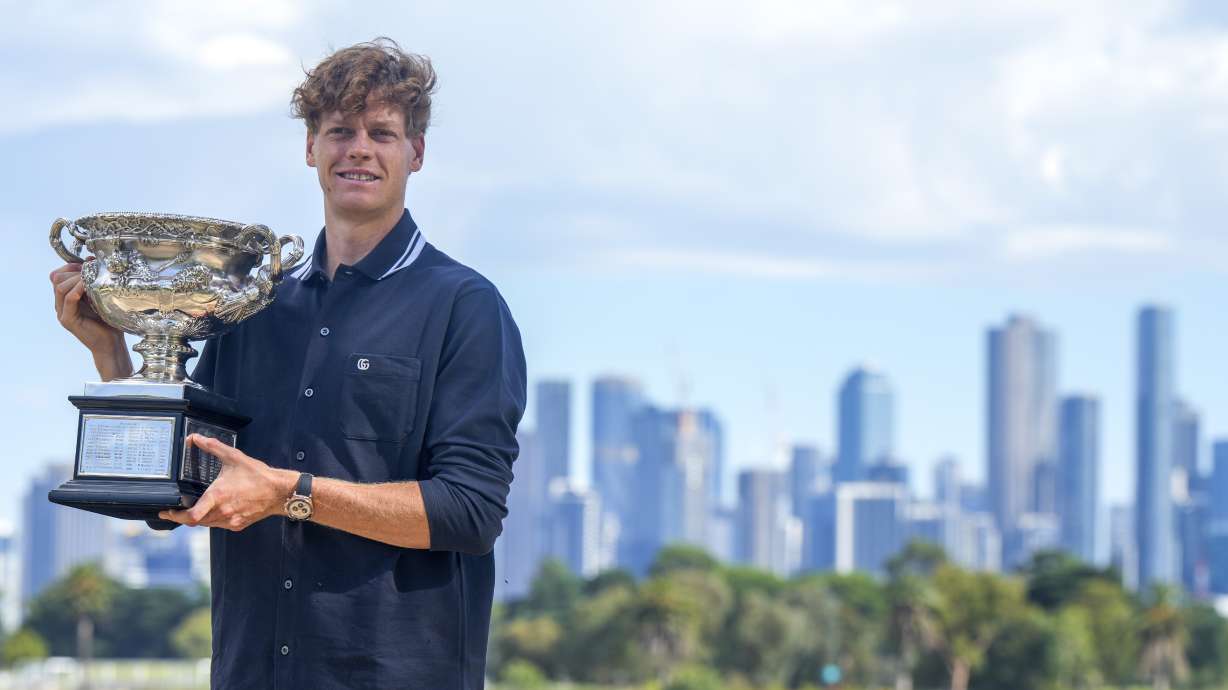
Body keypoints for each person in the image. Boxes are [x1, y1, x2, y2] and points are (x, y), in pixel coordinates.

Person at [49, 38, 526, 689]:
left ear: (416, 152)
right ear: (310, 148)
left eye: (382, 132)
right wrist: (114, 351)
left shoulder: (465, 307)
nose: (358, 148)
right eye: (339, 131)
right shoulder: (253, 306)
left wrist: (288, 494)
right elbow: (175, 490)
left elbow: (469, 512)